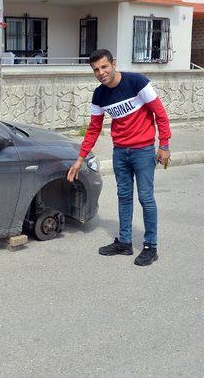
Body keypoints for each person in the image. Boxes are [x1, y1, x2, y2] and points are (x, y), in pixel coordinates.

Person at [67, 49, 171, 266]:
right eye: (96, 69)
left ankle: (150, 246)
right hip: (120, 152)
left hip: (143, 150)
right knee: (123, 196)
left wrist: (164, 145)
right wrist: (80, 158)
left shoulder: (137, 82)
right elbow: (94, 128)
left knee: (145, 198)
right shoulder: (99, 95)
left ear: (113, 64)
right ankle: (124, 242)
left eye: (104, 67)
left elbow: (160, 114)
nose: (101, 72)